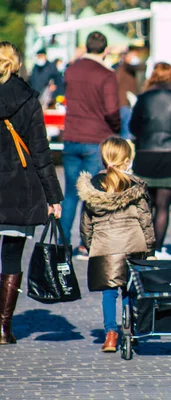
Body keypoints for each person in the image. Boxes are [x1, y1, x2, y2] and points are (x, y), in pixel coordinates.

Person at [0, 41, 63, 345]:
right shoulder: (27, 99)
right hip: (18, 187)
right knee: (12, 256)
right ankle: (3, 327)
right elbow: (40, 151)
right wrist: (54, 196)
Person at [77, 137, 155, 352]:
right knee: (131, 291)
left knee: (109, 293)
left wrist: (91, 245)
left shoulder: (92, 186)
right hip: (134, 244)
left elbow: (86, 223)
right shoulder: (136, 185)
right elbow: (145, 219)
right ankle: (131, 331)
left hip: (105, 247)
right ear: (127, 160)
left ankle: (111, 335)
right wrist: (150, 249)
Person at [129, 62, 171, 260]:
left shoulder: (143, 99)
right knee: (163, 206)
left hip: (146, 156)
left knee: (146, 206)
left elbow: (133, 127)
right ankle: (158, 248)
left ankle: (145, 247)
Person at [62, 31, 121, 260]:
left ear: (86, 46)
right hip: (96, 139)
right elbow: (111, 110)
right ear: (105, 50)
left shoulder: (71, 70)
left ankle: (63, 242)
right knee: (94, 194)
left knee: (70, 194)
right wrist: (115, 129)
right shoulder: (106, 75)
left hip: (71, 137)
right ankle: (87, 244)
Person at [115, 47, 141, 140]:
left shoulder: (119, 68)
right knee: (127, 131)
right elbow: (140, 67)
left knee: (125, 129)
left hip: (124, 102)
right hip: (126, 102)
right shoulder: (125, 67)